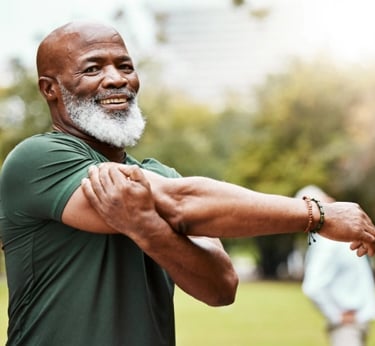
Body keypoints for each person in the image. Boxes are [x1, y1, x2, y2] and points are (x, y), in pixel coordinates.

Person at [0, 21, 374, 345]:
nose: (116, 78)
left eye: (125, 65)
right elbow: (181, 202)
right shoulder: (37, 159)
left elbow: (221, 287)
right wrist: (316, 214)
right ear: (50, 88)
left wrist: (147, 228)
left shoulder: (162, 175)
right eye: (93, 68)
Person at [298, 186, 375, 346]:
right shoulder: (328, 242)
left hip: (358, 320)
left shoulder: (340, 238)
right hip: (347, 325)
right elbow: (312, 287)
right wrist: (336, 315)